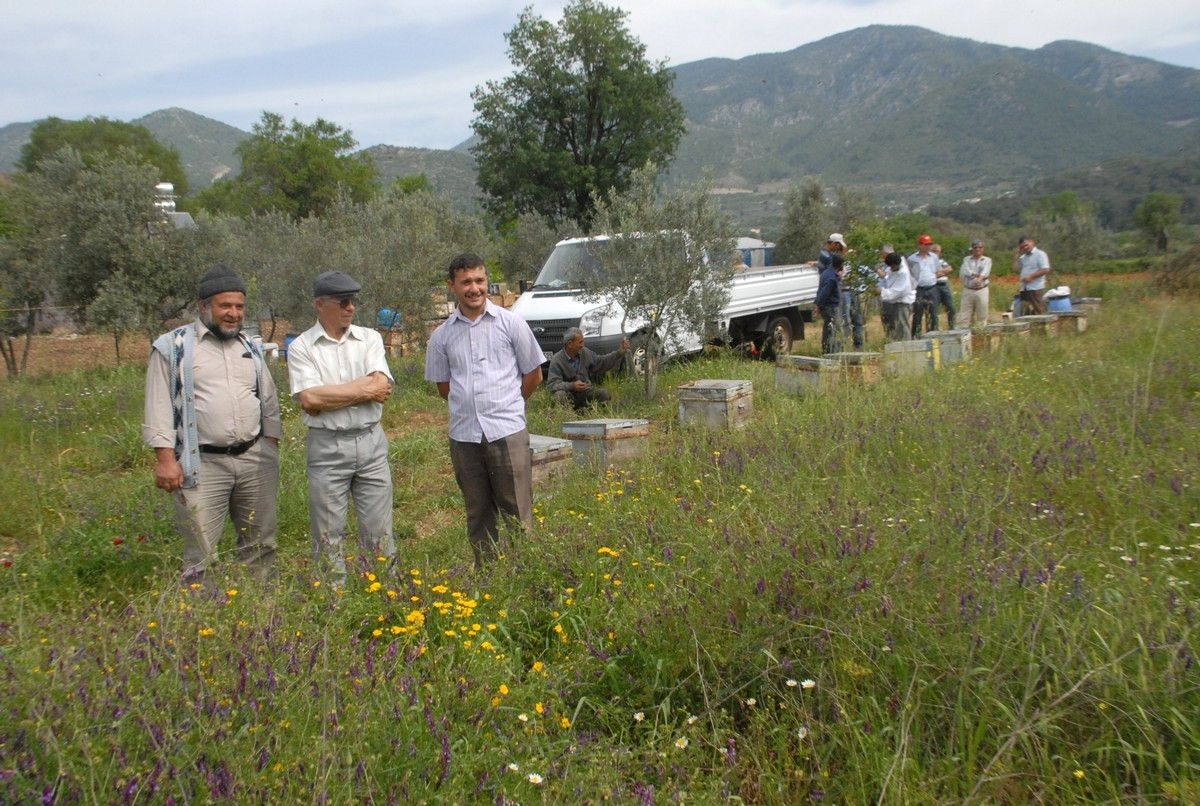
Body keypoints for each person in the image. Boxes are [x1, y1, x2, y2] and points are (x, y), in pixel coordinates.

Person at [142, 263, 281, 583]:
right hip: (201, 464)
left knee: (261, 545)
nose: (233, 313)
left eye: (239, 306)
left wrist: (270, 446)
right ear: (204, 306)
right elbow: (158, 405)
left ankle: (261, 617)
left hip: (254, 460)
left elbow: (268, 399)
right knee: (201, 553)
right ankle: (202, 622)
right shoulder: (173, 347)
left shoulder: (249, 345)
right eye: (225, 306)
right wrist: (165, 460)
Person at [425, 253, 544, 568]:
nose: (474, 288)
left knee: (517, 509)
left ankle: (526, 576)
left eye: (479, 281)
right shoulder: (441, 337)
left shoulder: (511, 323)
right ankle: (489, 577)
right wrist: (472, 406)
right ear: (452, 286)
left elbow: (534, 374)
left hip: (507, 431)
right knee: (478, 511)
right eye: (466, 282)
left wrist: (507, 403)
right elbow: (443, 387)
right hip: (464, 436)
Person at [286, 271, 395, 584]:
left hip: (371, 442)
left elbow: (382, 388)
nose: (351, 307)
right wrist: (363, 390)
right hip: (327, 446)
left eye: (353, 301)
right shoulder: (302, 348)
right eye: (343, 301)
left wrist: (331, 394)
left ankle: (386, 596)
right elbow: (309, 398)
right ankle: (334, 604)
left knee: (380, 529)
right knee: (328, 532)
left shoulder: (370, 338)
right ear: (320, 305)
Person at [546, 327, 629, 411]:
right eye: (580, 342)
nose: (582, 345)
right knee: (560, 395)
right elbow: (552, 385)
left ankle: (587, 411)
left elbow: (601, 362)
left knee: (603, 394)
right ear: (570, 344)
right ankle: (570, 415)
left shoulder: (585, 352)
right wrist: (572, 386)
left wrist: (619, 353)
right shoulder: (557, 359)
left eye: (583, 341)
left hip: (585, 392)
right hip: (569, 394)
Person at [907, 234, 941, 335]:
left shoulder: (934, 257)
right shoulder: (912, 259)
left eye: (929, 244)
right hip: (919, 289)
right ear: (920, 245)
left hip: (932, 288)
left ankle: (933, 336)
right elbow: (910, 274)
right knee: (917, 314)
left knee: (933, 314)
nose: (928, 246)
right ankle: (916, 337)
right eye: (926, 244)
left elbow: (936, 271)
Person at [878, 251, 915, 341]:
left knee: (902, 327)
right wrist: (885, 277)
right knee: (893, 328)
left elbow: (898, 291)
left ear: (897, 264)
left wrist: (881, 292)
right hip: (893, 303)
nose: (892, 269)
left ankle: (906, 347)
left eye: (893, 267)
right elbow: (890, 280)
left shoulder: (903, 273)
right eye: (890, 267)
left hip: (902, 303)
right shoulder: (892, 268)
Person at [957, 240, 992, 328]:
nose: (977, 249)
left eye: (980, 247)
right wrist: (977, 275)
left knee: (982, 315)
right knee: (964, 316)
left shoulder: (987, 260)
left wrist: (979, 279)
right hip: (968, 289)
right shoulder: (966, 259)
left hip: (982, 290)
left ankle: (981, 336)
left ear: (983, 249)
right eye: (975, 247)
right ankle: (964, 337)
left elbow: (985, 272)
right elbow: (966, 272)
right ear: (972, 249)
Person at [1014, 236, 1051, 315]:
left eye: (1026, 245)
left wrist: (1031, 277)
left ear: (1032, 242)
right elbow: (1015, 269)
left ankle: (1043, 327)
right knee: (1025, 312)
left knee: (1039, 311)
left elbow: (1045, 269)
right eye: (1022, 247)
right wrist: (1016, 256)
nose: (1025, 247)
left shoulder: (1040, 254)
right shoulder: (1023, 257)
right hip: (1024, 288)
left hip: (1036, 288)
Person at [815, 251, 843, 354]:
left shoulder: (826, 273)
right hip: (830, 307)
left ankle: (827, 350)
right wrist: (819, 305)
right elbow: (824, 293)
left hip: (825, 307)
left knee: (827, 329)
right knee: (832, 330)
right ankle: (830, 352)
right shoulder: (832, 277)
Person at [931, 243, 957, 328]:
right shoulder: (928, 261)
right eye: (934, 251)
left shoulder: (941, 261)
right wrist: (940, 272)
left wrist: (938, 272)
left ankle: (952, 327)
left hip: (944, 285)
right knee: (934, 310)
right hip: (934, 286)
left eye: (937, 251)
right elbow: (930, 274)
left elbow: (949, 269)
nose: (936, 253)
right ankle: (934, 329)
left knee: (951, 307)